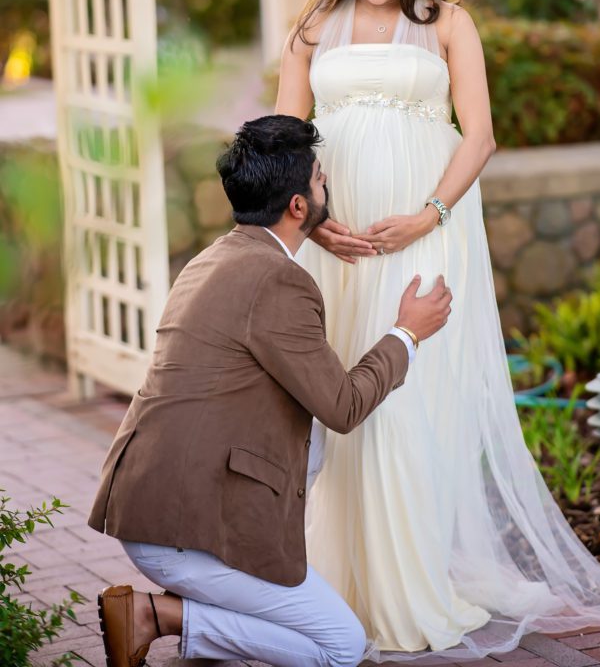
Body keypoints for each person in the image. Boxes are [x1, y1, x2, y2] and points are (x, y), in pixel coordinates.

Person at [276, 0, 600, 662]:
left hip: (421, 233)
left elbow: (476, 137)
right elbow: (282, 137)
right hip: (339, 242)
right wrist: (315, 229)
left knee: (408, 408)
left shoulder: (448, 24)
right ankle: (341, 582)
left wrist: (426, 216)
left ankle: (408, 581)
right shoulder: (312, 29)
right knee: (345, 398)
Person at [88, 114, 452, 667]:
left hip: (152, 508)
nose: (328, 184)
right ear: (299, 206)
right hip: (184, 534)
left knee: (289, 621)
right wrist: (408, 332)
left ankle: (171, 613)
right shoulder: (279, 281)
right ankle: (157, 615)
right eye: (321, 177)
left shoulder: (214, 258)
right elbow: (343, 405)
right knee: (340, 647)